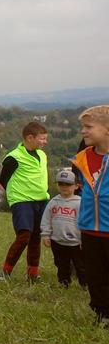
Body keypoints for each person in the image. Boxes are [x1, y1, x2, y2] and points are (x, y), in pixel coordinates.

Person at [0, 121, 49, 284]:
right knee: (24, 236)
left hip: (42, 200)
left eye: (46, 138)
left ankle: (32, 274)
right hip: (22, 201)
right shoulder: (13, 157)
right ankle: (5, 272)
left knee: (35, 238)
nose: (45, 142)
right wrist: (15, 194)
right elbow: (3, 180)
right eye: (42, 139)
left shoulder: (42, 155)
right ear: (30, 138)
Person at [71, 105, 109, 326]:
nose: (83, 131)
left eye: (88, 127)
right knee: (95, 275)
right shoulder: (83, 157)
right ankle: (101, 313)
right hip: (89, 228)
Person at [41, 168, 83, 289]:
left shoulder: (80, 202)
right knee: (61, 264)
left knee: (81, 265)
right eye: (61, 184)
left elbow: (85, 222)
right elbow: (46, 219)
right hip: (57, 241)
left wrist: (84, 239)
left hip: (76, 242)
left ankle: (85, 284)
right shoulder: (53, 202)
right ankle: (64, 283)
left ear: (76, 186)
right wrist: (45, 235)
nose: (64, 187)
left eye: (68, 184)